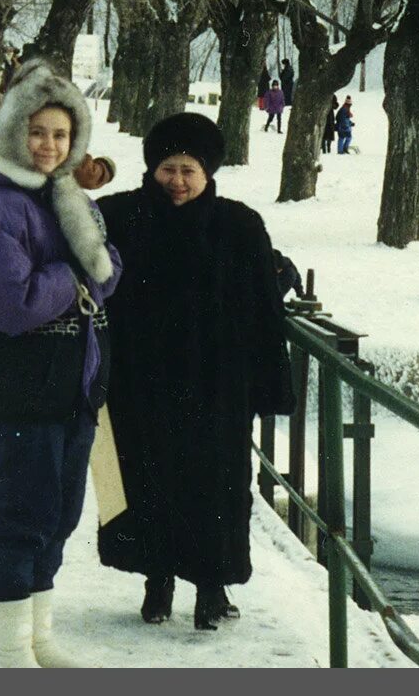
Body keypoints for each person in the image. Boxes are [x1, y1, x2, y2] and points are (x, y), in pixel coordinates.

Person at [94, 112, 295, 631]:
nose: (178, 182)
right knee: (147, 481)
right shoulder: (120, 217)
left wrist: (271, 385)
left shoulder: (239, 224)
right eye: (168, 169)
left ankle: (211, 586)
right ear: (151, 170)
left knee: (217, 488)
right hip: (143, 383)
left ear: (208, 173)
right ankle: (156, 579)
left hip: (217, 387)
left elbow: (264, 310)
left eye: (188, 170)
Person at [0, 61, 123, 668]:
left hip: (71, 384)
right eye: (37, 133)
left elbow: (111, 267)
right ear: (11, 134)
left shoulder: (64, 195)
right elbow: (11, 305)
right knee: (22, 514)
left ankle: (38, 638)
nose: (49, 146)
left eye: (60, 134)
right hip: (25, 384)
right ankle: (10, 652)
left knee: (59, 514)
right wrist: (75, 273)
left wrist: (86, 272)